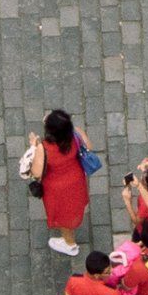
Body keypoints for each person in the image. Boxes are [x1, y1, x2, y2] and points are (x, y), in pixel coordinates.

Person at [23, 106, 93, 256]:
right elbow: (88, 146)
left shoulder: (44, 148)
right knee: (72, 208)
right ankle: (69, 235)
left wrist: (33, 147)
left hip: (57, 189)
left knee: (64, 217)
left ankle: (70, 244)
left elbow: (36, 173)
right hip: (76, 180)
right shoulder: (74, 135)